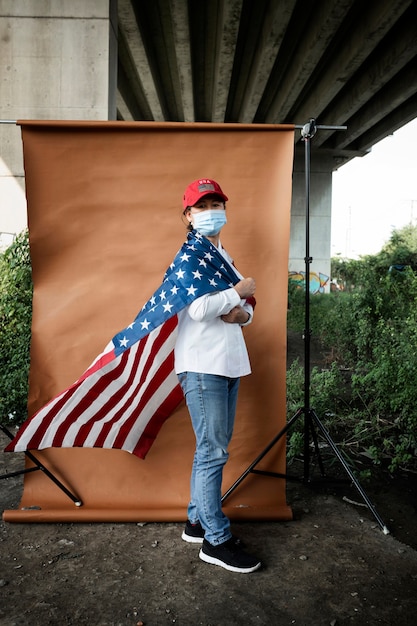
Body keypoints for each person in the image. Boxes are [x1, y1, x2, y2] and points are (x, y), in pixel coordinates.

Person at [175, 178, 262, 573]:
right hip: (202, 363)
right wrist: (236, 293)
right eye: (202, 205)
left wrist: (240, 310)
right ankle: (216, 539)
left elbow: (247, 310)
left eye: (216, 202)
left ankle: (196, 521)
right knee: (213, 452)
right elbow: (196, 310)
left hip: (227, 362)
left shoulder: (221, 256)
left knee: (211, 449)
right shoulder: (189, 257)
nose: (212, 210)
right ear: (188, 215)